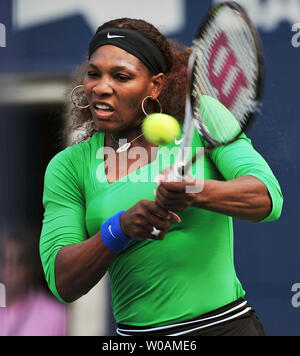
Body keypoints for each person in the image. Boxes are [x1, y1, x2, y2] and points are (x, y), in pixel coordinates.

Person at [39, 18, 283, 336]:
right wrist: (120, 229)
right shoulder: (68, 166)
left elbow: (267, 198)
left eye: (121, 76)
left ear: (155, 85)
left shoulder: (201, 116)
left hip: (223, 328)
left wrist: (194, 191)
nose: (101, 86)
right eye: (94, 73)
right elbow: (63, 282)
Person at [0, 225, 67, 336]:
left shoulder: (55, 315)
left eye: (19, 261)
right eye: (4, 260)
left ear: (32, 267)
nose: (11, 269)